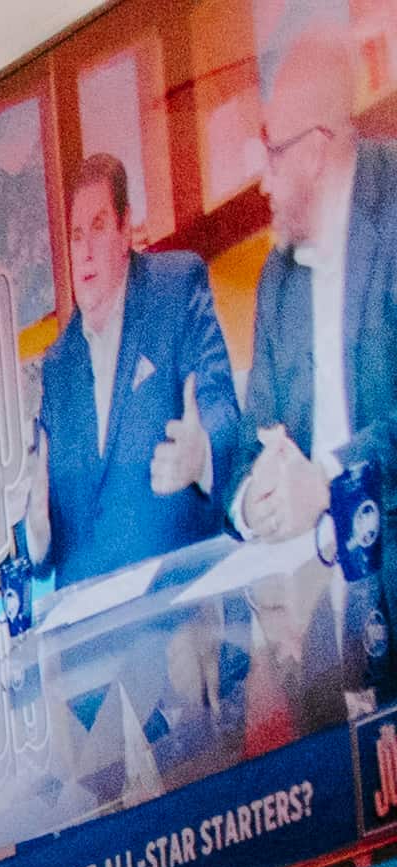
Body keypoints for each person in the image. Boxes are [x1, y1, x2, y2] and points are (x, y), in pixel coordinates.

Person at [39, 142, 255, 581]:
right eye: (76, 235)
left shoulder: (175, 290)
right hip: (90, 630)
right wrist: (35, 526)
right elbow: (50, 534)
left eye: (98, 227)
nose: (84, 250)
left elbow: (220, 410)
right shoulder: (58, 366)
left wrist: (202, 455)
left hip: (184, 604)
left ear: (125, 230)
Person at [247, 0, 397, 551]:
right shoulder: (276, 280)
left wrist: (330, 476)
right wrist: (254, 498)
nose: (263, 183)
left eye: (274, 156)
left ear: (313, 153)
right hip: (311, 588)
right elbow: (251, 442)